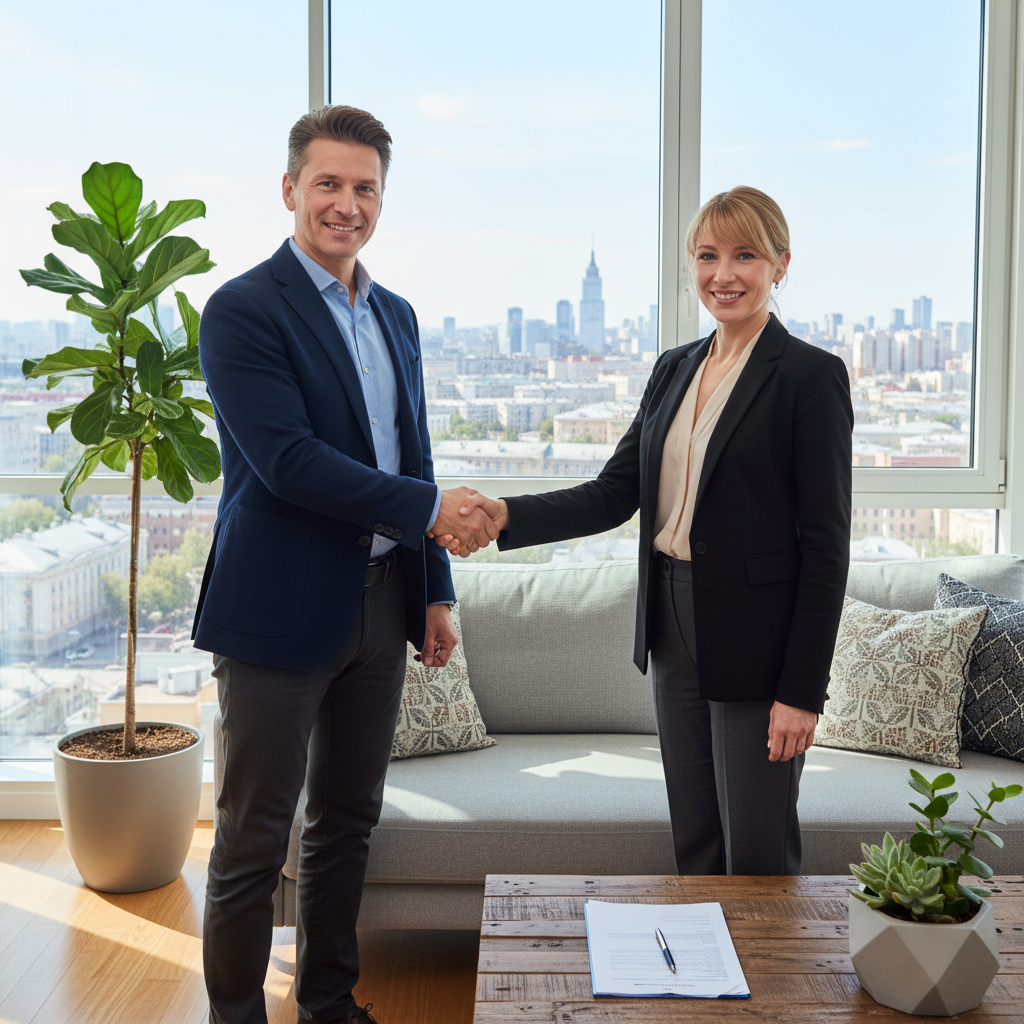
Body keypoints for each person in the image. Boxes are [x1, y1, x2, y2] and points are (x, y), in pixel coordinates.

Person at [442, 187, 853, 876]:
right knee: (694, 837)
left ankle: (770, 982)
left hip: (757, 634)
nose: (723, 274)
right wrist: (506, 514)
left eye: (744, 255)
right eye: (707, 256)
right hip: (670, 620)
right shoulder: (674, 369)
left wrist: (802, 691)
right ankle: (705, 980)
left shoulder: (810, 378)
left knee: (755, 847)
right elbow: (614, 492)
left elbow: (826, 549)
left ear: (780, 265)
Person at [193, 105, 499, 1024]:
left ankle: (328, 1003)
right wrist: (428, 513)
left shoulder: (397, 315)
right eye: (327, 183)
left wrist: (434, 588)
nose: (346, 203)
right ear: (289, 190)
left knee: (346, 823)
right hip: (277, 612)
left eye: (365, 187)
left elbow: (415, 456)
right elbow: (288, 463)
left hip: (379, 609)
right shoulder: (242, 310)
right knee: (253, 839)